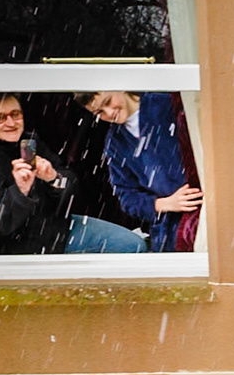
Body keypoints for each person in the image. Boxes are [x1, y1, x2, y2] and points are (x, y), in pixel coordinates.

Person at [0, 94, 146, 256]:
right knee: (130, 246)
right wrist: (21, 192)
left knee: (133, 243)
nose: (11, 123)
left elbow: (71, 185)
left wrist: (53, 178)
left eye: (15, 114)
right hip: (27, 244)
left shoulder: (29, 142)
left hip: (58, 226)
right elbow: (1, 225)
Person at [79, 91, 203, 253]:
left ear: (121, 88)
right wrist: (163, 204)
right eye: (99, 112)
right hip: (169, 230)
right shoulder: (114, 143)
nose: (109, 113)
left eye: (108, 101)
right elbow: (127, 197)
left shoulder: (168, 104)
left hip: (206, 206)